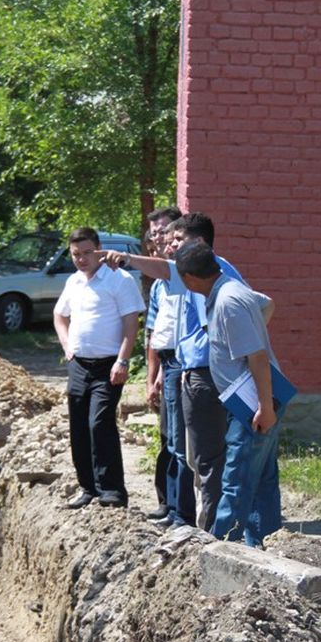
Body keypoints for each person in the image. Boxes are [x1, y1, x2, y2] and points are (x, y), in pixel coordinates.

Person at [102, 213, 259, 531]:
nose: (170, 245)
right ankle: (200, 519)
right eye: (167, 239)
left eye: (177, 239)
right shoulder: (197, 274)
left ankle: (210, 526)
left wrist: (127, 258)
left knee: (208, 456)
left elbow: (259, 313)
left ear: (199, 242)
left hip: (208, 373)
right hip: (190, 368)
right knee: (193, 452)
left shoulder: (213, 271)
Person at [174, 240, 281, 547]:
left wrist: (264, 406)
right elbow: (266, 304)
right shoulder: (231, 290)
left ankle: (222, 549)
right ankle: (261, 544)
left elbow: (257, 357)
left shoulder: (228, 302)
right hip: (252, 399)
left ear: (189, 278)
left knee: (237, 478)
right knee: (261, 477)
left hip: (254, 403)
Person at [53, 227, 145, 509]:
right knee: (79, 425)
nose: (81, 259)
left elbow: (131, 324)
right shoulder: (73, 282)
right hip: (79, 364)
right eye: (75, 254)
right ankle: (88, 487)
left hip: (109, 365)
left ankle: (112, 491)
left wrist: (123, 360)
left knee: (100, 422)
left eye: (86, 253)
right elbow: (59, 315)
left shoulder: (119, 279)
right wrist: (67, 345)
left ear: (99, 249)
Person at [144, 206, 181, 521]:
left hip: (187, 365)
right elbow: (154, 335)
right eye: (155, 233)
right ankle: (168, 503)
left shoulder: (185, 275)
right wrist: (152, 377)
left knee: (183, 440)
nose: (159, 238)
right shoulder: (158, 286)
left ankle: (183, 510)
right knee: (168, 436)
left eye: (164, 231)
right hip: (167, 365)